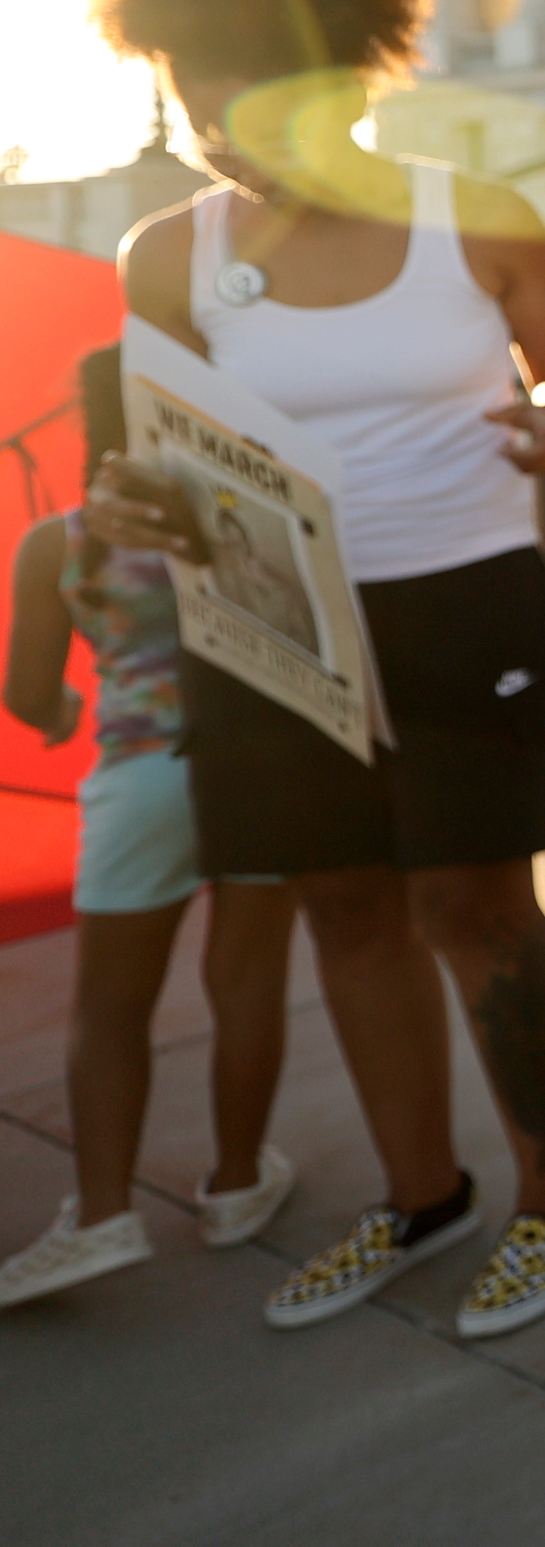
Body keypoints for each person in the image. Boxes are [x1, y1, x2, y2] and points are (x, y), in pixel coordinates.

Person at [86, 0, 545, 1339]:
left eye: (253, 92)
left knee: (475, 902)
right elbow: (151, 446)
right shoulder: (168, 256)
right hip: (267, 620)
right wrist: (132, 502)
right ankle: (420, 1189)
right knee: (343, 905)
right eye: (194, 96)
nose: (222, 124)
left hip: (464, 598)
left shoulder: (478, 216)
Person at [0, 348, 299, 1307]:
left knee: (110, 1007)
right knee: (246, 978)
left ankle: (100, 1216)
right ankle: (240, 1184)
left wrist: (60, 721)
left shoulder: (65, 541)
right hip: (256, 764)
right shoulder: (248, 519)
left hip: (140, 779)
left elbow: (27, 695)